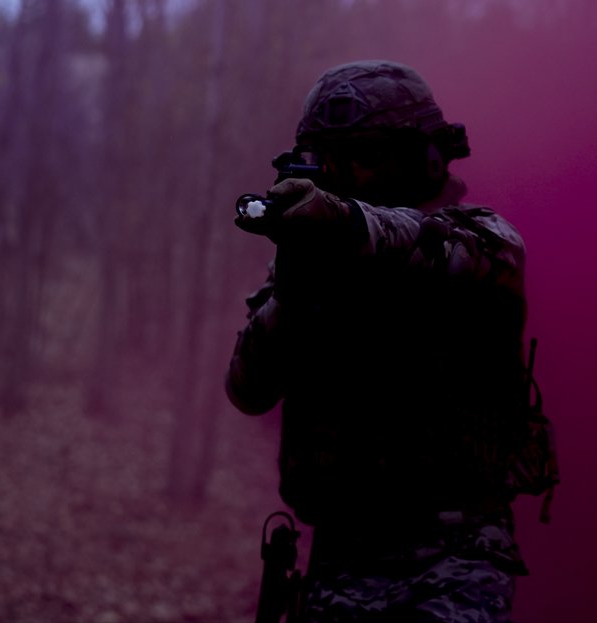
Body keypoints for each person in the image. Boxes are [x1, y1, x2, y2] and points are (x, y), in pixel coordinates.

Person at [228, 60, 532, 622]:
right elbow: (248, 389)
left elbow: (433, 247)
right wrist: (295, 290)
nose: (344, 172)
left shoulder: (480, 240)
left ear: (426, 157)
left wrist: (345, 225)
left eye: (364, 155)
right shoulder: (313, 265)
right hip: (341, 557)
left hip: (453, 558)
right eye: (330, 158)